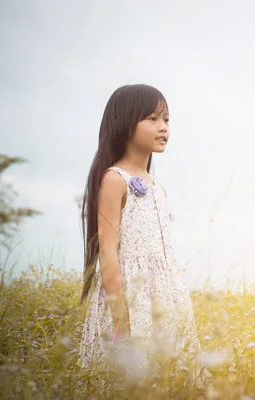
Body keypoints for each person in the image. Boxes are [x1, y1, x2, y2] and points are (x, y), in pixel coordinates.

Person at [77, 84, 201, 383]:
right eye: (152, 119)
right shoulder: (115, 179)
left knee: (170, 379)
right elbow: (107, 252)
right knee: (129, 380)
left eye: (166, 120)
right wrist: (121, 325)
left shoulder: (158, 187)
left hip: (164, 298)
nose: (163, 128)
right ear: (125, 123)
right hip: (131, 299)